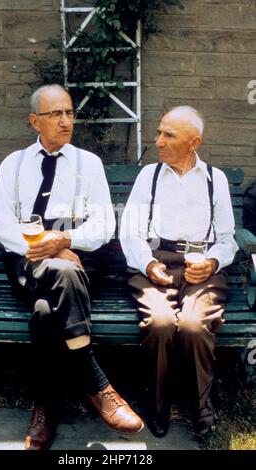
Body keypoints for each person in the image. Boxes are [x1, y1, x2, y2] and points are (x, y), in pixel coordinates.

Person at [0, 84, 143, 450]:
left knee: (45, 312)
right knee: (62, 272)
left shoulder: (88, 164)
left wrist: (67, 241)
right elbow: (0, 222)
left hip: (79, 257)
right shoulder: (14, 164)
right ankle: (96, 381)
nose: (65, 121)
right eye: (55, 114)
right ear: (34, 121)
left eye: (69, 113)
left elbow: (104, 225)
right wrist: (45, 247)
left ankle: (45, 406)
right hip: (28, 261)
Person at [120, 105, 238, 439]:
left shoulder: (215, 179)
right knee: (159, 323)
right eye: (158, 132)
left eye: (168, 135)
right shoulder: (150, 176)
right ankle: (156, 403)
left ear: (193, 142)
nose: (158, 141)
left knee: (192, 325)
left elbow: (228, 238)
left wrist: (212, 263)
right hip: (154, 262)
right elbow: (130, 232)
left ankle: (201, 405)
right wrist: (147, 264)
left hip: (202, 266)